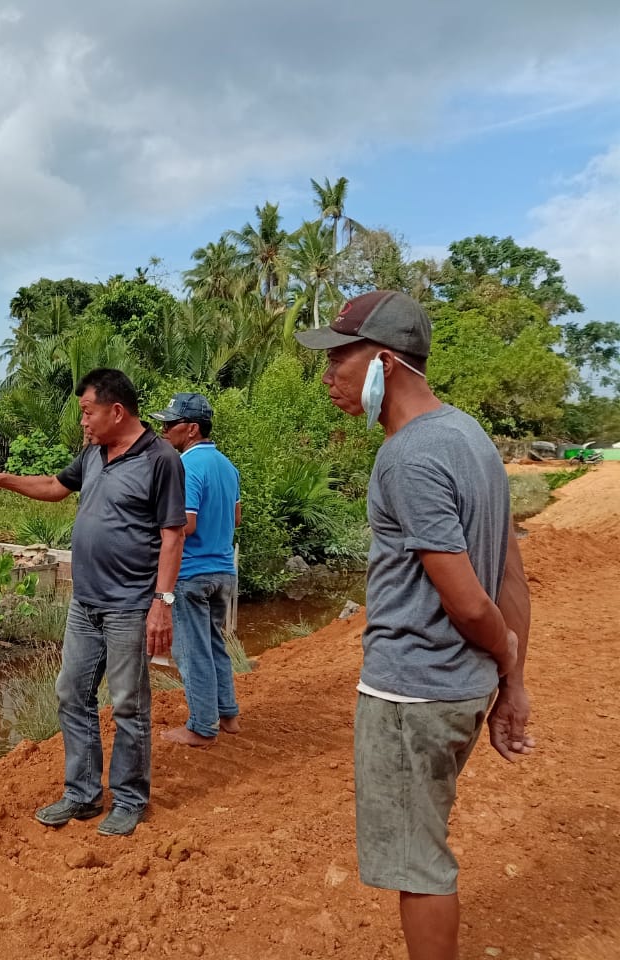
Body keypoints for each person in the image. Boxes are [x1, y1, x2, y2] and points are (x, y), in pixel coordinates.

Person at [296, 290, 533, 960]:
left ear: (386, 362)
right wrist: (509, 682)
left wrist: (504, 648)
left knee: (418, 864)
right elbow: (509, 574)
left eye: (340, 358)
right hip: (457, 692)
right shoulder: (471, 438)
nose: (330, 376)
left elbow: (470, 601)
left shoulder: (409, 456)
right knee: (424, 845)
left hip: (411, 697)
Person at [0, 368, 186, 836]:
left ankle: (129, 798)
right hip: (85, 605)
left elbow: (172, 535)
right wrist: (2, 479)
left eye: (88, 412)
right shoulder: (93, 454)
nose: (83, 421)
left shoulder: (161, 459)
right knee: (71, 694)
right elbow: (55, 487)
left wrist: (161, 603)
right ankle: (82, 794)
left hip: (129, 605)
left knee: (128, 704)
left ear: (116, 411)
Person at [150, 393, 242, 747]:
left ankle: (202, 726)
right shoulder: (226, 465)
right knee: (215, 643)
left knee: (191, 650)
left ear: (190, 429)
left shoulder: (185, 466)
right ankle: (227, 714)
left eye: (170, 424)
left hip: (192, 574)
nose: (164, 429)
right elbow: (236, 518)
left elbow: (184, 525)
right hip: (223, 572)